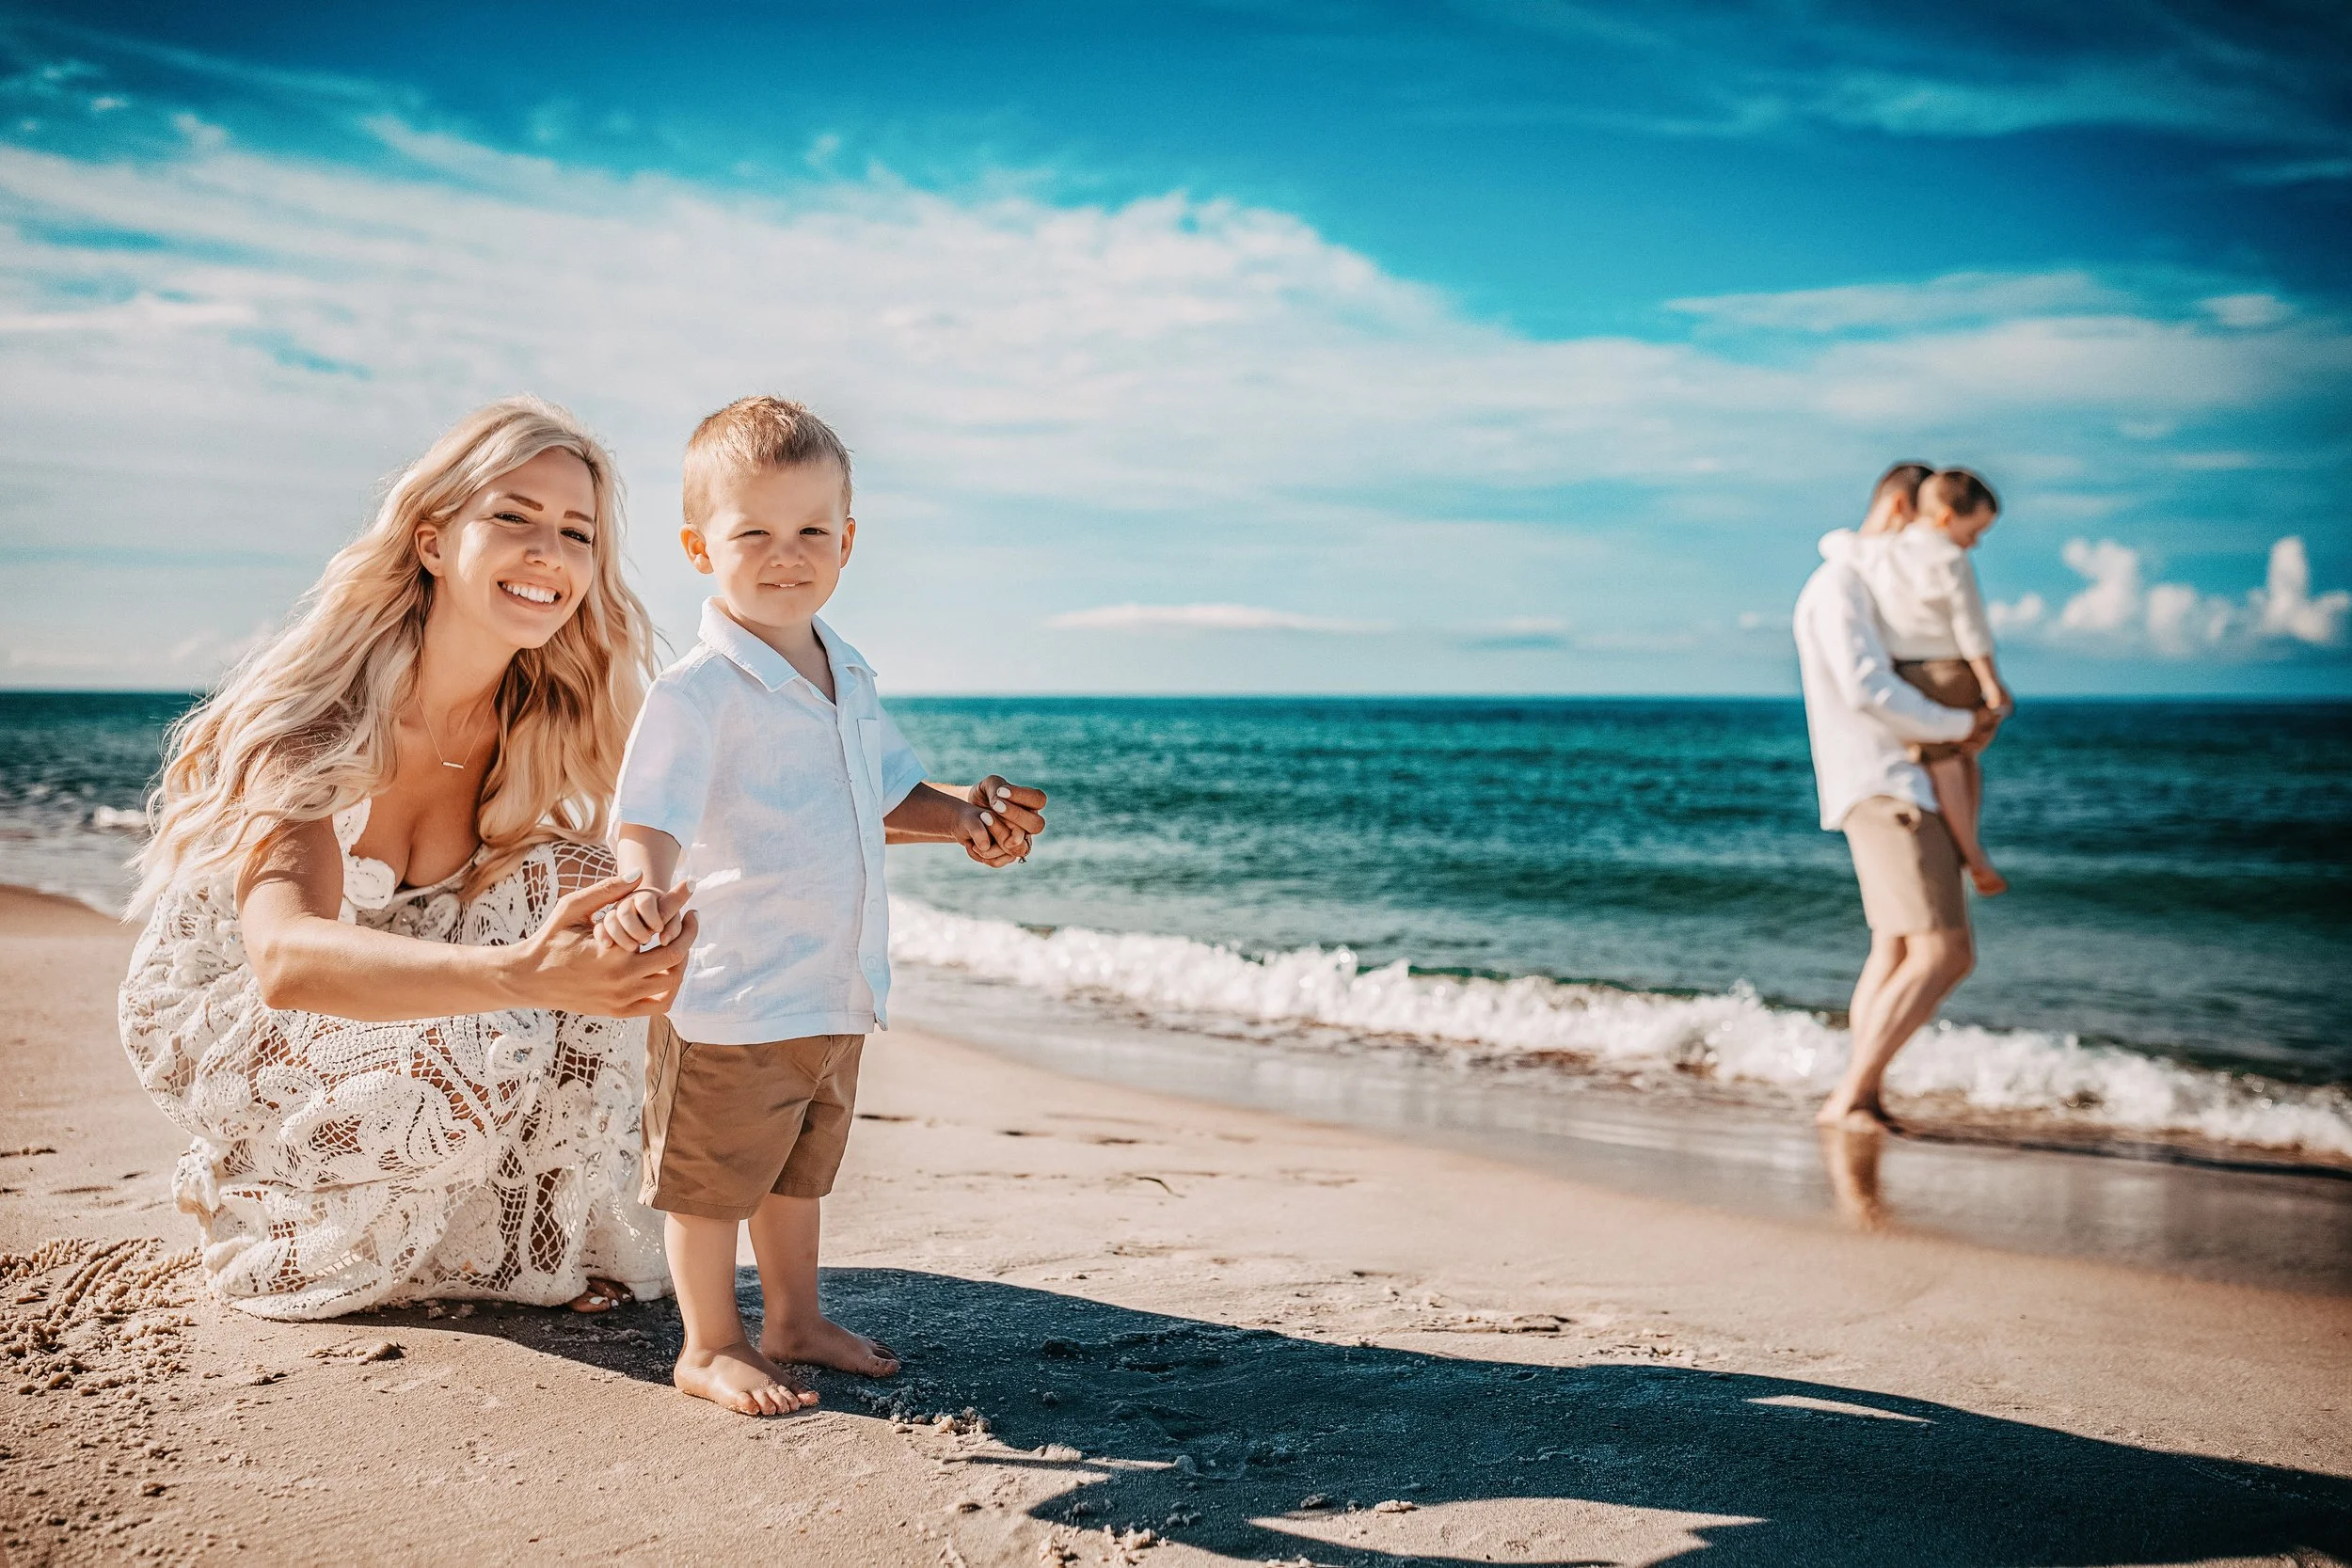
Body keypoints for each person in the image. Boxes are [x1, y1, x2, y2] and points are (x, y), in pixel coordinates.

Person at [120, 397, 693, 1320]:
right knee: (493, 1035)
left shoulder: (548, 714)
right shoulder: (318, 723)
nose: (550, 551)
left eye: (577, 531)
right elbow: (287, 956)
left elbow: (722, 818)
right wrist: (518, 973)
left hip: (407, 979)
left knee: (614, 894)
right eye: (514, 516)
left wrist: (941, 818)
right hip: (234, 1013)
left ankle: (531, 1246)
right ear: (432, 541)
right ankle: (278, 1202)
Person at [603, 396, 1049, 1417]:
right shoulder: (698, 690)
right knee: (712, 1179)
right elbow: (650, 813)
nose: (785, 553)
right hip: (732, 987)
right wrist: (639, 886)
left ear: (846, 542)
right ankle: (709, 1341)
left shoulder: (846, 669)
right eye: (752, 530)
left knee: (799, 1168)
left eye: (810, 530)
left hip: (832, 980)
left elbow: (890, 793)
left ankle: (795, 1317)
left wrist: (968, 815)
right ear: (697, 544)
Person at [1795, 466, 2000, 1132]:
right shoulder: (1842, 583)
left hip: (1890, 781)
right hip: (1887, 783)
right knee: (1947, 951)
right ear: (1896, 503)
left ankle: (1864, 1092)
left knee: (1894, 950)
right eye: (1917, 518)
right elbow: (1866, 689)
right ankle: (1849, 1095)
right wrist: (1961, 726)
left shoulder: (1864, 578)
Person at [1830, 467, 2013, 895]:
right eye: (1975, 530)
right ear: (1947, 518)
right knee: (1960, 764)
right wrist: (1991, 684)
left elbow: (1837, 544)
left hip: (1908, 672)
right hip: (1951, 670)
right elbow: (1971, 628)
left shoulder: (1883, 551)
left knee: (1943, 763)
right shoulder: (1951, 559)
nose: (1976, 541)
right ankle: (1971, 850)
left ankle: (1967, 848)